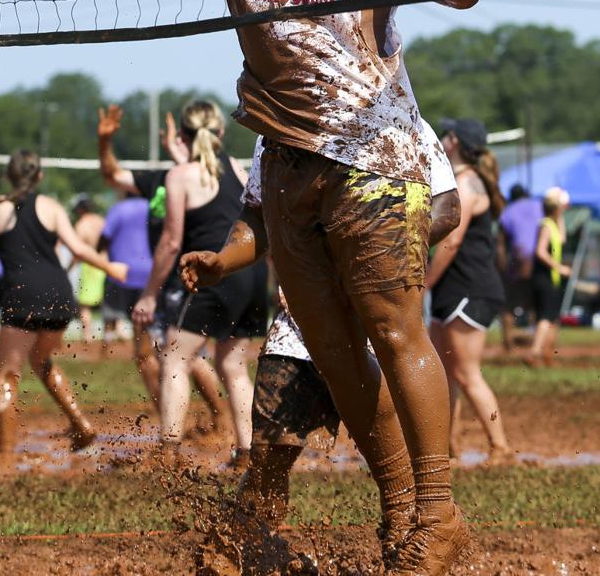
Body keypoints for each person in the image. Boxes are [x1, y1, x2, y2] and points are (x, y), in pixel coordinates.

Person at [3, 0, 481, 573]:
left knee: (395, 332)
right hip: (288, 171)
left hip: (375, 164)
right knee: (329, 354)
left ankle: (436, 512)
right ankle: (403, 507)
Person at [182, 124, 460, 575]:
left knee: (395, 478)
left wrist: (371, 254)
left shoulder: (396, 120)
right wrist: (224, 261)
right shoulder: (274, 132)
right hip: (299, 331)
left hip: (377, 321)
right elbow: (257, 217)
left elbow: (448, 206)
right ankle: (243, 547)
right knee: (269, 454)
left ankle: (408, 546)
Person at [0, 151, 128, 453]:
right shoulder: (52, 207)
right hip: (58, 295)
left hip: (22, 295)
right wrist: (111, 268)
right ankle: (81, 423)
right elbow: (79, 249)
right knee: (42, 361)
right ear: (39, 176)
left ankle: (5, 453)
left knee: (8, 374)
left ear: (8, 176)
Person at [130, 101, 263, 462]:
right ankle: (249, 453)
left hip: (214, 270)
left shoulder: (179, 176)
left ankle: (169, 451)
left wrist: (148, 295)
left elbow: (171, 242)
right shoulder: (236, 167)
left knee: (174, 357)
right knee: (233, 366)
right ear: (221, 132)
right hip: (249, 270)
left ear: (183, 137)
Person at [97, 103, 231, 432]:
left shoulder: (204, 177)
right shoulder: (161, 178)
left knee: (185, 356)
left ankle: (219, 419)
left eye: (182, 139)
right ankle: (172, 423)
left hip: (184, 280)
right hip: (155, 279)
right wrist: (104, 144)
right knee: (147, 357)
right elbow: (113, 175)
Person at [425, 119, 512, 464]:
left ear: (453, 142)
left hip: (470, 288)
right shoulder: (461, 181)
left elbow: (451, 242)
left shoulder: (467, 183)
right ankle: (447, 447)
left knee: (466, 372)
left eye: (446, 135)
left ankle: (501, 448)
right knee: (444, 372)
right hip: (455, 288)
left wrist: (425, 283)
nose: (442, 140)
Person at [98, 196, 153, 351]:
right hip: (149, 272)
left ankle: (106, 350)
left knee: (110, 315)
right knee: (142, 319)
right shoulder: (153, 208)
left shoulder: (119, 208)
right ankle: (142, 352)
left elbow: (105, 235)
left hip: (119, 271)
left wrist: (99, 251)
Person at [527, 187, 572, 368]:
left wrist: (559, 213)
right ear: (556, 207)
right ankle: (534, 353)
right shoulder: (545, 225)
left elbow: (562, 239)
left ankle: (548, 356)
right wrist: (559, 267)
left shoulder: (552, 224)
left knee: (552, 318)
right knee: (545, 318)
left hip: (550, 279)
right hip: (544, 278)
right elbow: (540, 251)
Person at [496, 184, 542, 353]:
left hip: (519, 259)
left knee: (508, 304)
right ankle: (537, 343)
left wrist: (501, 269)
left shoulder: (507, 212)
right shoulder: (539, 206)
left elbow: (500, 245)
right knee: (534, 304)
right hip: (538, 260)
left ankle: (508, 344)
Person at [70, 195, 107, 343]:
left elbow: (77, 251)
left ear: (80, 210)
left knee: (85, 305)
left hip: (90, 264)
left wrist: (68, 267)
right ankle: (113, 332)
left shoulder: (81, 224)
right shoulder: (102, 221)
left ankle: (87, 335)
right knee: (108, 301)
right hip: (105, 263)